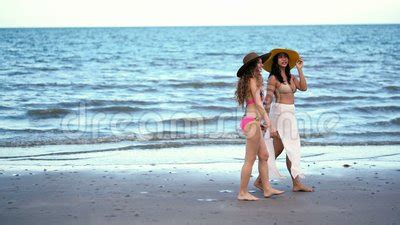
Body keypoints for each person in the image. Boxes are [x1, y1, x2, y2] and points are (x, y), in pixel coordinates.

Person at [254, 48, 314, 192]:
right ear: (276, 61)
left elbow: (304, 88)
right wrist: (265, 122)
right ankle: (295, 183)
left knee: (282, 148)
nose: (284, 59)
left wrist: (300, 70)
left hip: (290, 114)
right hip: (280, 114)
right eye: (280, 57)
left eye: (285, 57)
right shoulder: (273, 78)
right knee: (291, 147)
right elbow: (267, 101)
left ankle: (261, 180)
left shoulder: (292, 77)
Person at [235, 52, 285, 201]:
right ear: (253, 65)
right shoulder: (251, 79)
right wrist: (268, 121)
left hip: (254, 122)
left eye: (262, 62)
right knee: (249, 159)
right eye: (259, 62)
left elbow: (257, 104)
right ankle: (242, 192)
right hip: (251, 123)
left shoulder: (254, 80)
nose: (262, 65)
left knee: (264, 155)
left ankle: (267, 188)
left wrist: (261, 121)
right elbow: (257, 103)